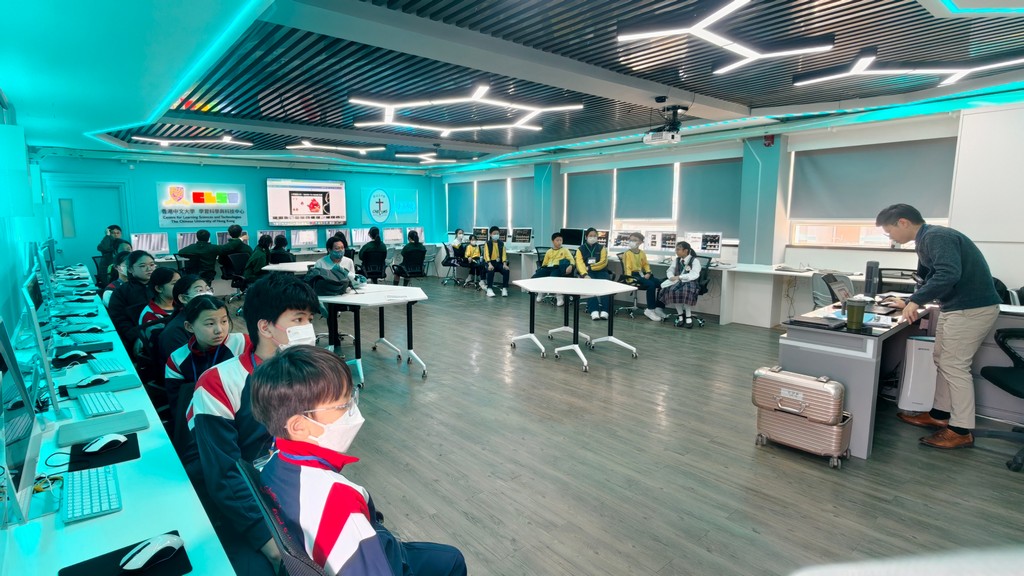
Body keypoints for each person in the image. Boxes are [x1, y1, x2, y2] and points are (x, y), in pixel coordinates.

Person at [251, 346, 468, 576]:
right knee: (452, 560)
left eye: (351, 397)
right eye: (344, 405)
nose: (353, 409)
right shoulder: (338, 502)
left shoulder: (273, 464)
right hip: (383, 560)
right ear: (299, 426)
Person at [188, 272, 320, 575]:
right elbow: (225, 473)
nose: (308, 329)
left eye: (310, 320)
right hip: (252, 505)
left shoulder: (312, 375)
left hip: (300, 493)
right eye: (298, 320)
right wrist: (266, 540)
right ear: (265, 327)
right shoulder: (218, 383)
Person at [876, 203, 1002, 449]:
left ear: (903, 222)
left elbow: (948, 274)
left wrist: (916, 301)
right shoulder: (925, 240)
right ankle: (939, 415)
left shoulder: (937, 236)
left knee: (954, 366)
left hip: (970, 309)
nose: (890, 237)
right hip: (955, 308)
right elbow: (932, 278)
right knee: (942, 359)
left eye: (889, 231)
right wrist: (910, 300)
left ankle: (961, 430)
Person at [165, 295, 249, 433]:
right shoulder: (176, 360)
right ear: (189, 327)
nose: (219, 330)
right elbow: (178, 407)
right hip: (201, 424)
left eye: (224, 321)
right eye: (210, 324)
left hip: (244, 420)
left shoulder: (244, 344)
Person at [159, 275, 213, 369]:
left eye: (208, 289)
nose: (207, 294)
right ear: (183, 298)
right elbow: (187, 366)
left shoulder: (205, 318)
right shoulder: (175, 331)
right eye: (199, 290)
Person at [108, 250, 157, 348]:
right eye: (142, 266)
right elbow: (120, 320)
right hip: (139, 339)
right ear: (130, 269)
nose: (149, 269)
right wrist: (135, 338)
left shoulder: (160, 287)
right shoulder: (121, 292)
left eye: (152, 265)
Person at [619, 232, 663, 322]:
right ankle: (650, 310)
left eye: (635, 240)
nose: (632, 242)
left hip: (641, 274)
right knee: (651, 285)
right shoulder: (627, 254)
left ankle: (658, 308)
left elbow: (646, 264)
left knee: (661, 284)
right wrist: (629, 279)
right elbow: (627, 268)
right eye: (631, 240)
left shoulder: (642, 253)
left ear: (641, 242)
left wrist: (648, 273)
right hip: (632, 275)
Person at [657, 241, 702, 328]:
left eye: (678, 249)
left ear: (685, 250)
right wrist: (671, 277)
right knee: (672, 290)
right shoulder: (677, 260)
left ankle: (688, 315)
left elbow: (694, 274)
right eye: (676, 249)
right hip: (677, 281)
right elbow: (670, 270)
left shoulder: (694, 261)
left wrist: (680, 277)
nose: (676, 251)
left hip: (690, 281)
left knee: (686, 291)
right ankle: (680, 314)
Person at [575, 227, 610, 320]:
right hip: (587, 272)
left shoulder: (602, 248)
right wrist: (584, 274)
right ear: (586, 237)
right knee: (590, 285)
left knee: (606, 285)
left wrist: (590, 267)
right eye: (590, 235)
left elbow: (603, 262)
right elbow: (579, 263)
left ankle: (605, 310)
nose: (593, 237)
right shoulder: (580, 249)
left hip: (601, 271)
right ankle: (594, 310)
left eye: (595, 236)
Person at [532, 231, 574, 306]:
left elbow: (572, 260)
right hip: (548, 268)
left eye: (560, 240)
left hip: (557, 267)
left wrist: (571, 265)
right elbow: (544, 263)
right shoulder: (549, 251)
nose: (559, 242)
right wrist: (542, 270)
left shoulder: (565, 250)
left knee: (553, 278)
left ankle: (559, 296)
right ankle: (540, 292)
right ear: (553, 241)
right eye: (557, 240)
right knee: (536, 277)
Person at [482, 226, 510, 297]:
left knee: (506, 270)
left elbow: (504, 254)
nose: (496, 235)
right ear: (490, 234)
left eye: (497, 233)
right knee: (490, 270)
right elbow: (486, 255)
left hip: (499, 263)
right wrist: (489, 264)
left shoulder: (501, 243)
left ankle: (504, 288)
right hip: (490, 262)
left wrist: (504, 264)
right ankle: (489, 289)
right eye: (494, 233)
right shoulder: (487, 243)